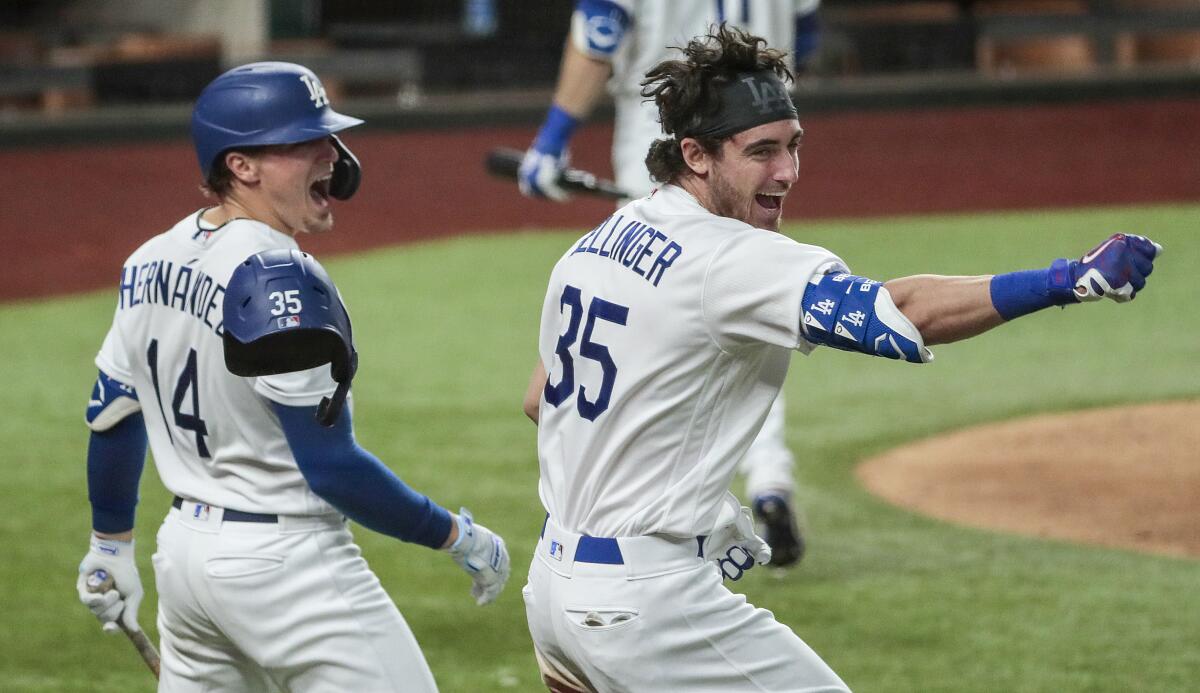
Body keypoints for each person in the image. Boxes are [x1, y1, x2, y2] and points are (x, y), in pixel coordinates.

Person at [519, 26, 1161, 692]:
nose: (788, 173)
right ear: (696, 154)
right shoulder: (734, 258)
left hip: (555, 595)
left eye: (793, 146)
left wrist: (682, 513)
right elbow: (901, 311)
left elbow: (543, 399)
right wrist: (1064, 280)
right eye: (761, 152)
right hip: (647, 609)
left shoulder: (596, 243)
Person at [75, 62, 510, 692]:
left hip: (186, 561)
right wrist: (455, 535)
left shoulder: (150, 259)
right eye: (304, 142)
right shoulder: (279, 277)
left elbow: (113, 413)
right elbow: (331, 468)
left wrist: (110, 541)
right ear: (242, 166)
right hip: (285, 568)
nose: (331, 155)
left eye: (328, 139)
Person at [519, 0, 823, 567]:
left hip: (663, 158)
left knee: (657, 337)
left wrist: (553, 137)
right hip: (756, 159)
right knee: (756, 318)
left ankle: (645, 504)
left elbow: (598, 36)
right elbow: (802, 43)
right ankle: (770, 482)